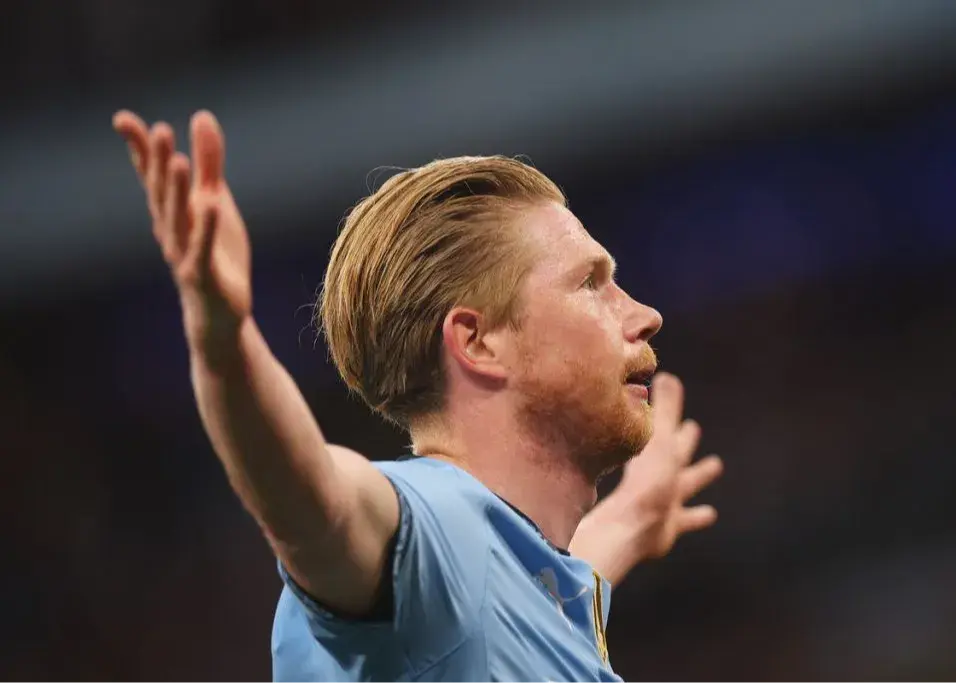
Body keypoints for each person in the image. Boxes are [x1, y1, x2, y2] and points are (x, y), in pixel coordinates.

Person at [112, 109, 724, 682]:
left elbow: (527, 597)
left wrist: (632, 515)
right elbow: (310, 499)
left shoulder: (518, 583)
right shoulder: (434, 528)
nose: (645, 315)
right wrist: (227, 348)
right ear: (477, 341)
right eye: (590, 284)